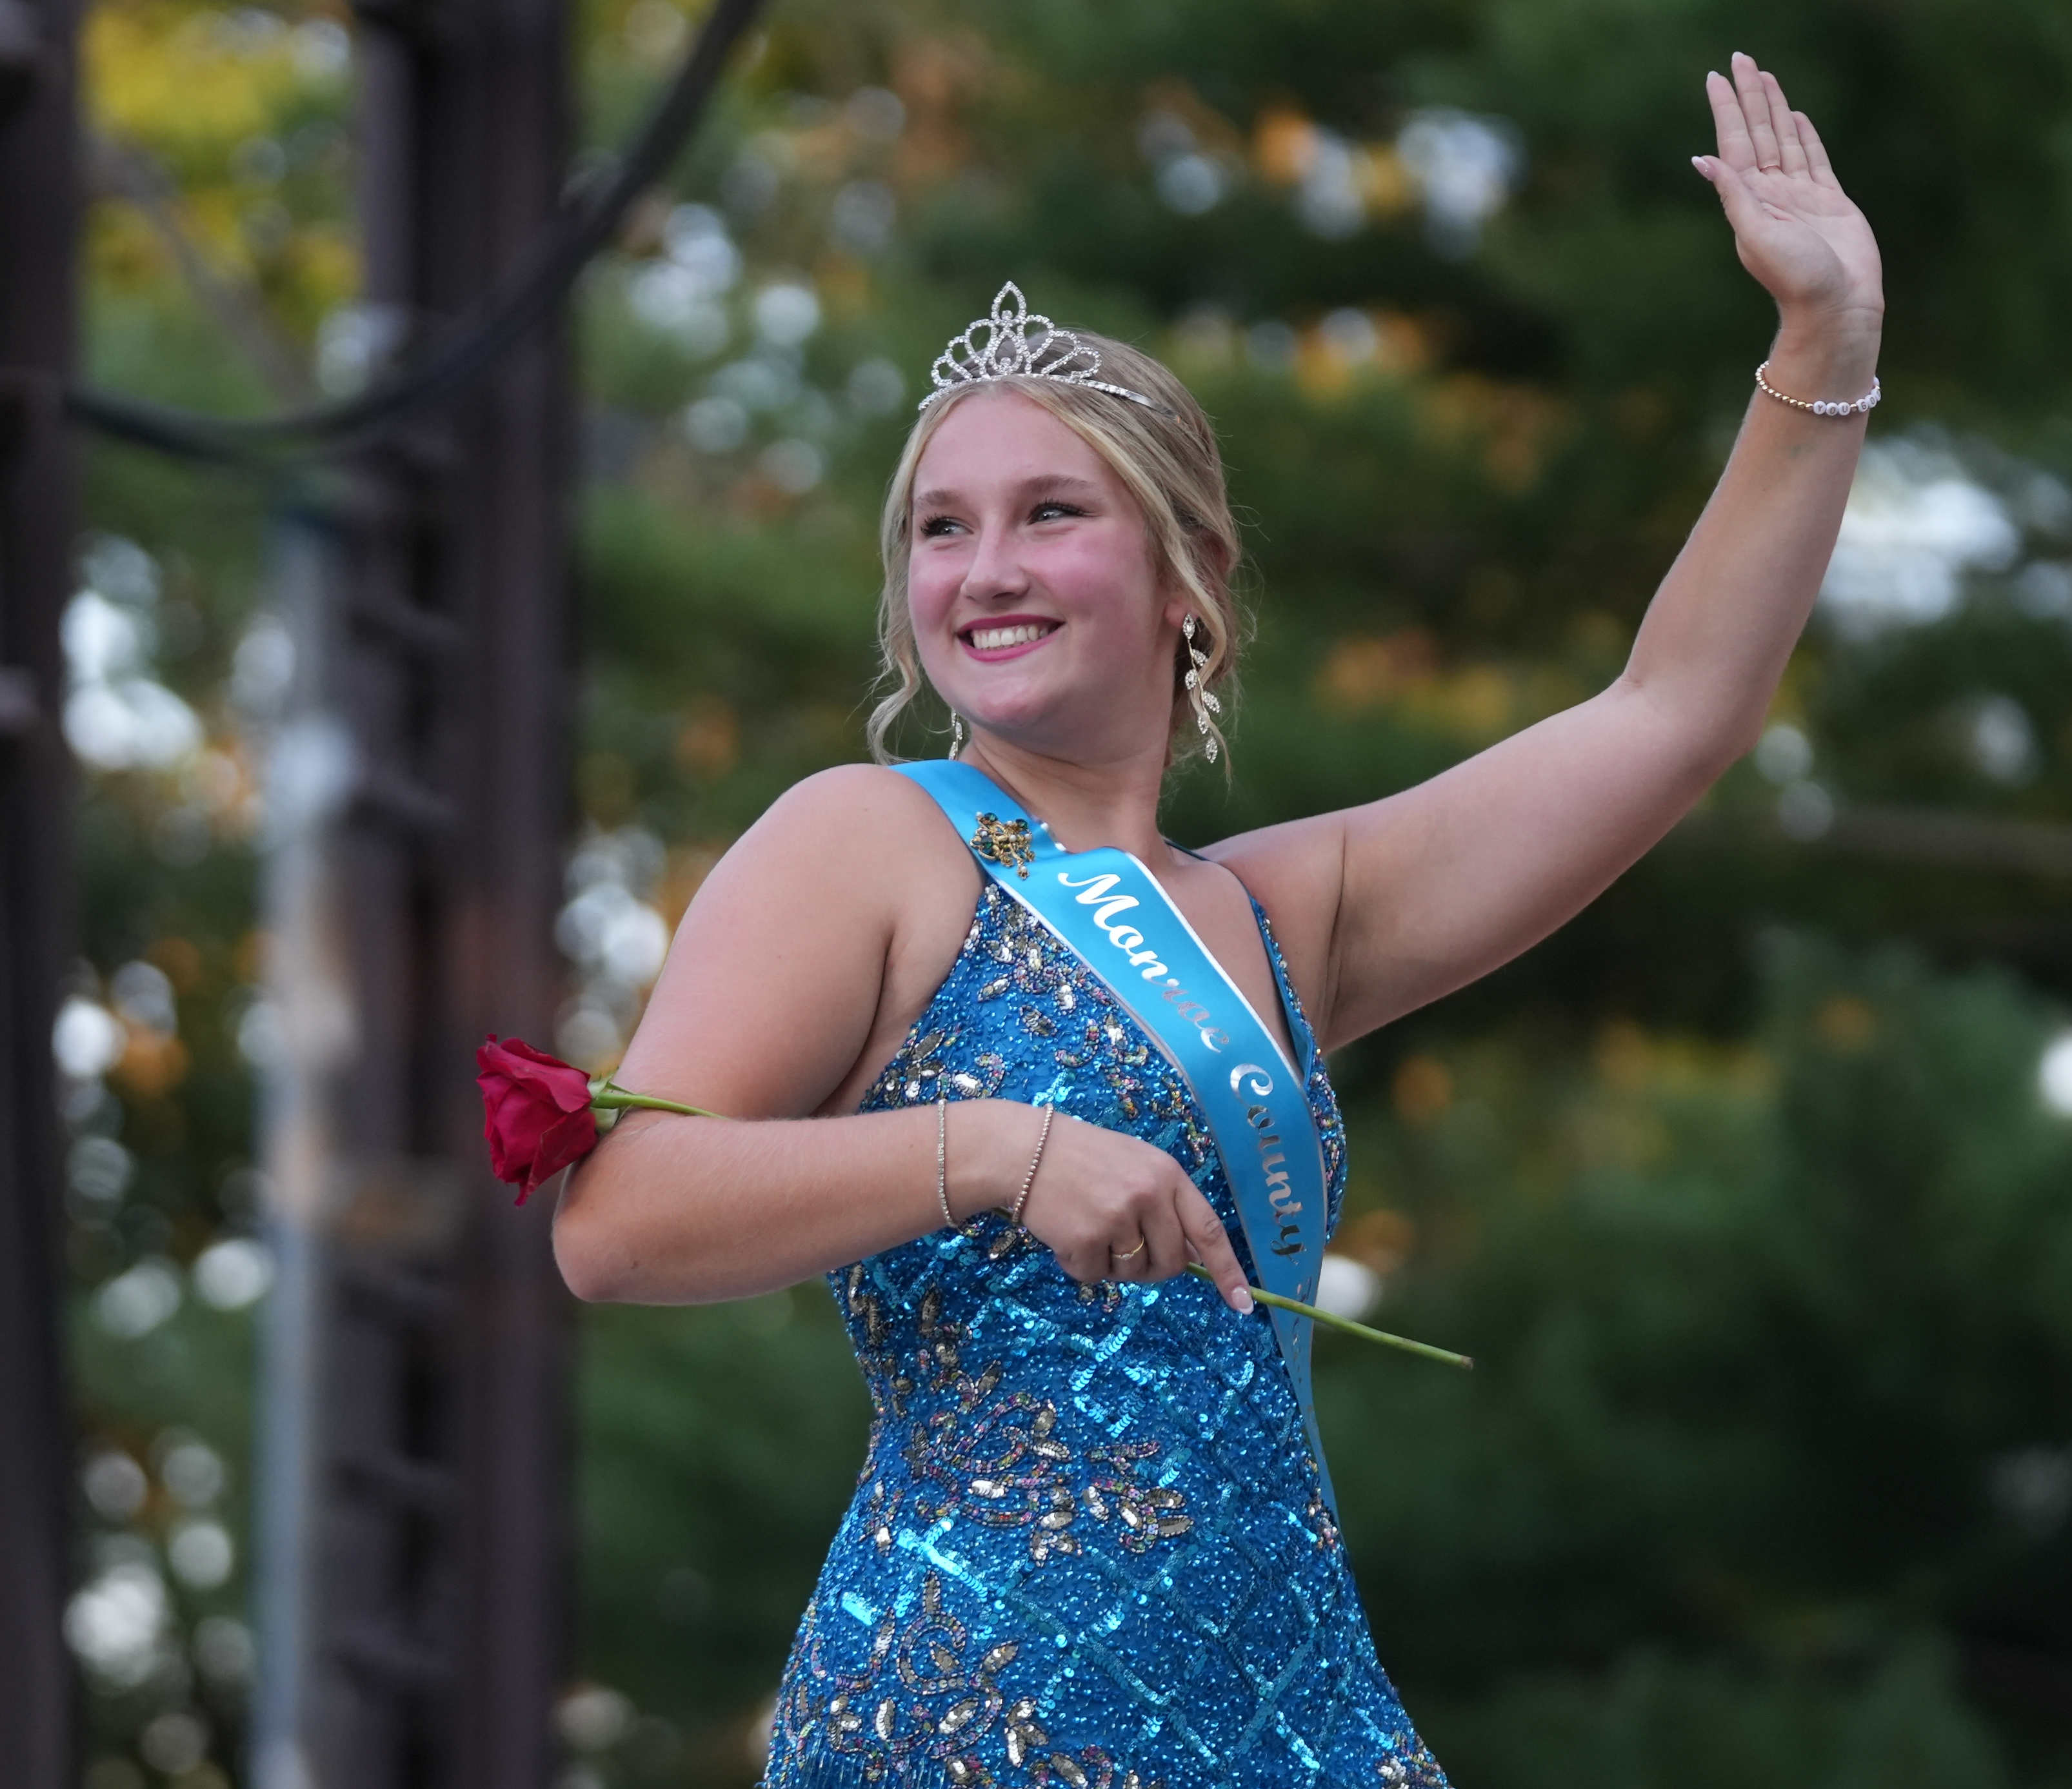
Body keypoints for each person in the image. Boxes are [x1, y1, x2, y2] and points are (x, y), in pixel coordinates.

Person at [552, 51, 1882, 1788]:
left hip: (1290, 1702)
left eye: (1049, 514)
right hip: (980, 1712)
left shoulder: (1273, 918)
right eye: (937, 532)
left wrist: (1822, 351)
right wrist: (997, 1151)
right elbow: (616, 1215)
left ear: (1186, 579)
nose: (982, 570)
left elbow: (1671, 713)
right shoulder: (865, 841)